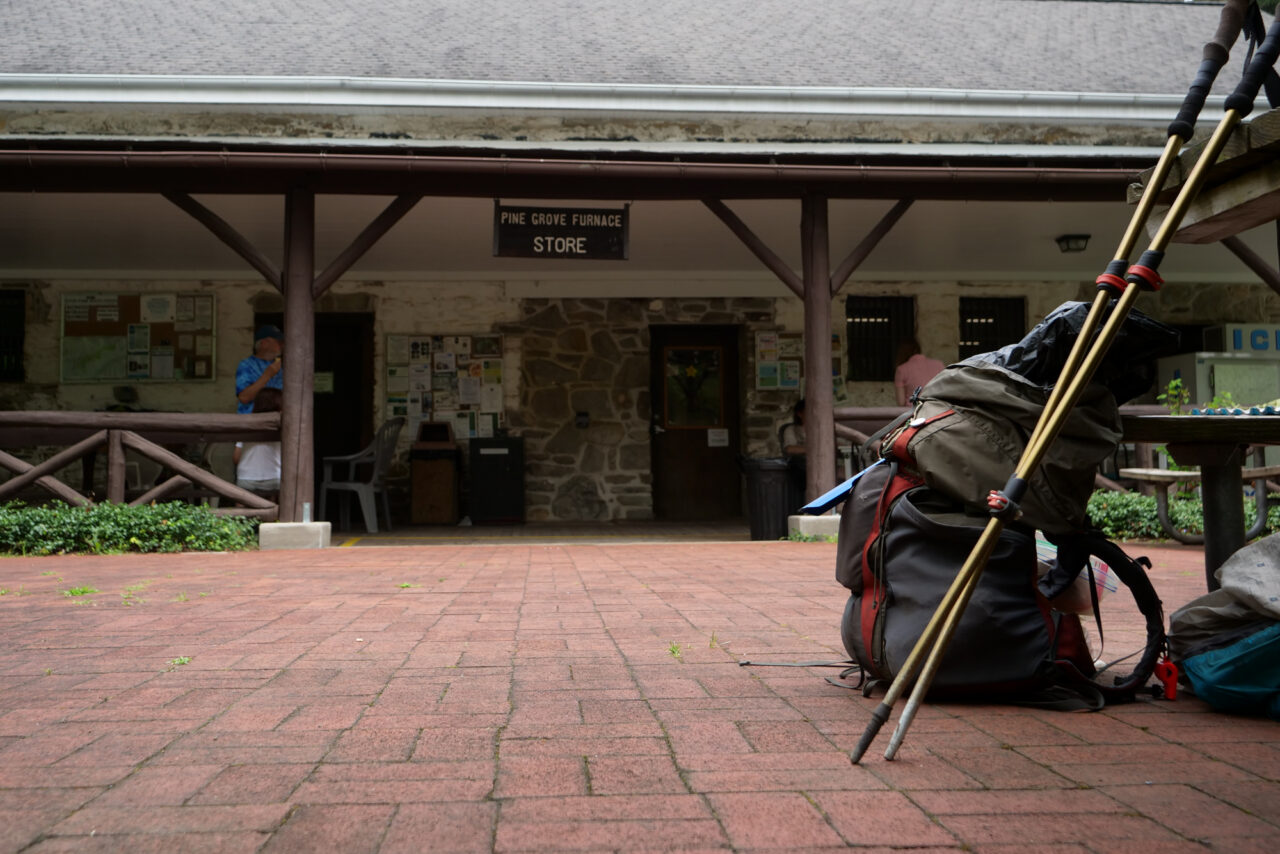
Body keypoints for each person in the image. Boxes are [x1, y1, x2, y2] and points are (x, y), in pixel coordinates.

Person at [233, 387, 282, 496]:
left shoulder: (247, 425)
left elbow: (236, 458)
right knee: (272, 508)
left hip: (246, 478)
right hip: (274, 478)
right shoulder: (283, 427)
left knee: (242, 510)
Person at [236, 325, 284, 414]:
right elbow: (244, 398)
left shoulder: (279, 366)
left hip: (276, 421)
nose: (282, 345)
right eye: (278, 342)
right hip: (252, 421)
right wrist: (267, 375)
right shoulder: (246, 365)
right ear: (263, 343)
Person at [894, 336, 945, 406]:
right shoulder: (939, 365)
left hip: (914, 413)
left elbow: (901, 402)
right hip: (937, 411)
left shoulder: (901, 369)